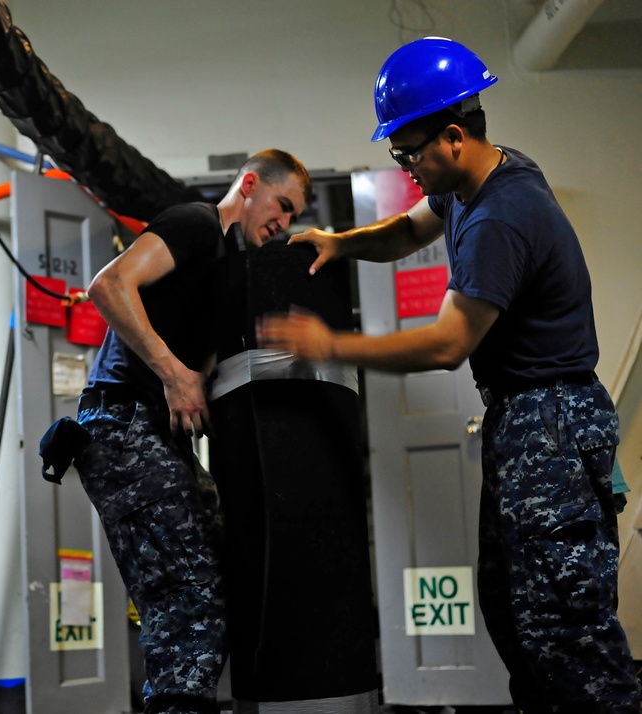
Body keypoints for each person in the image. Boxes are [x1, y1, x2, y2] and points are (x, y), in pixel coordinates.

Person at [260, 37, 640, 713]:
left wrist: (329, 344)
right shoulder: (471, 184)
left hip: (550, 422)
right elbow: (407, 232)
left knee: (567, 632)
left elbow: (447, 343)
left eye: (409, 153)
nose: (405, 168)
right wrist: (338, 243)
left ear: (455, 136)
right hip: (522, 422)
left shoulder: (502, 214)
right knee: (516, 617)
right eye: (396, 155)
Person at [73, 150, 311, 714]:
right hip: (122, 421)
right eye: (282, 206)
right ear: (249, 185)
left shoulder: (229, 266)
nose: (284, 224)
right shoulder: (197, 225)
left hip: (158, 435)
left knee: (220, 579)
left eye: (293, 216)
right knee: (189, 601)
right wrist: (175, 374)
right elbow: (108, 287)